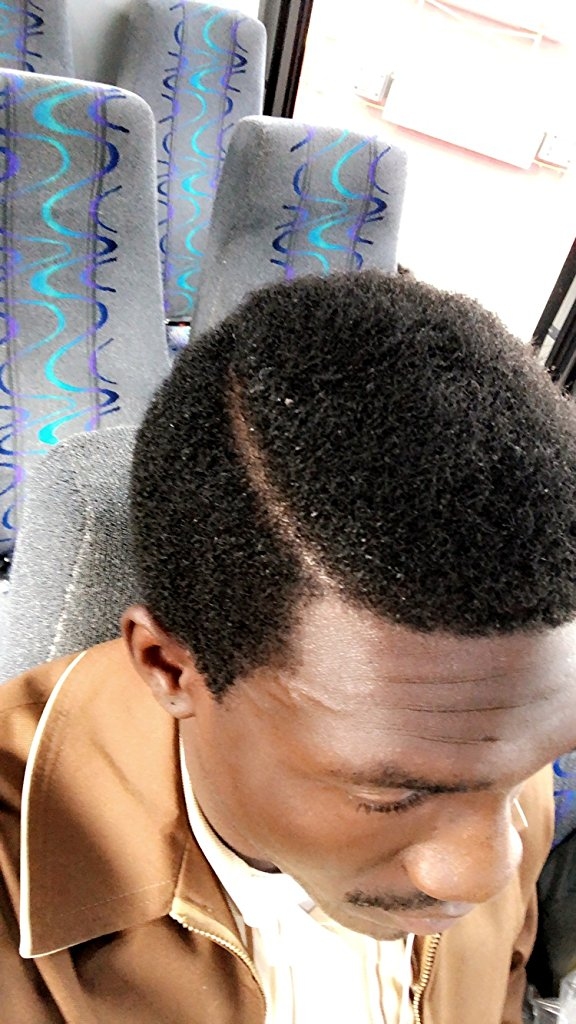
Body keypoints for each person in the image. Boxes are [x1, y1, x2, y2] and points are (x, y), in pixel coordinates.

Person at [1, 269, 576, 1024]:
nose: (487, 873)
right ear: (168, 667)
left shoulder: (486, 754)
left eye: (536, 765)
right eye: (389, 796)